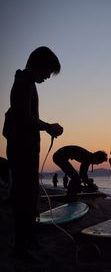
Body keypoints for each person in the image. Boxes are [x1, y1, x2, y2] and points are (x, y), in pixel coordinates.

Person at [2, 46, 63, 258]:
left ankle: (29, 238)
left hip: (27, 149)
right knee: (23, 197)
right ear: (39, 65)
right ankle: (20, 247)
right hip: (22, 151)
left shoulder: (27, 83)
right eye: (48, 71)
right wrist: (49, 127)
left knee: (30, 195)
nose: (48, 76)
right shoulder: (23, 84)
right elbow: (23, 118)